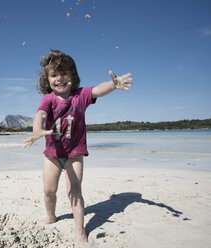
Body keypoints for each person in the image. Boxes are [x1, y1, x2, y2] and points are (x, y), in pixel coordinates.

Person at [23, 49, 133, 243]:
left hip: (75, 154)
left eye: (64, 73)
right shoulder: (48, 99)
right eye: (54, 75)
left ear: (73, 76)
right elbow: (39, 114)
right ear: (47, 80)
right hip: (52, 154)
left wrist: (114, 84)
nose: (59, 78)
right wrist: (37, 131)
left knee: (74, 191)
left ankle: (80, 229)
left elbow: (98, 89)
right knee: (49, 190)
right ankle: (51, 215)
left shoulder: (80, 96)